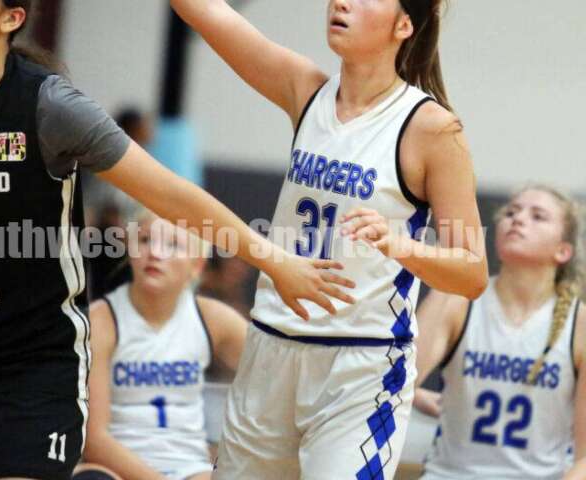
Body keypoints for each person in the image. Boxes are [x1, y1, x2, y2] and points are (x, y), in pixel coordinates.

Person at [0, 1, 354, 479]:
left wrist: (274, 260)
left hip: (28, 364)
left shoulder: (50, 106)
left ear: (10, 18)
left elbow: (172, 195)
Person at [170, 0, 490, 478]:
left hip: (360, 363)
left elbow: (472, 272)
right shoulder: (306, 89)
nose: (340, 2)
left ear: (404, 25)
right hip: (271, 345)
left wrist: (401, 245)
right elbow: (206, 13)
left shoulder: (432, 128)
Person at [414, 186, 585, 480]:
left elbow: (584, 459)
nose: (518, 219)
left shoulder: (579, 324)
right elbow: (394, 379)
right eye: (511, 212)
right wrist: (412, 393)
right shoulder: (458, 300)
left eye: (538, 216)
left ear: (563, 250)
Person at [76, 210, 248, 480]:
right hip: (117, 467)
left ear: (197, 265)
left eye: (173, 245)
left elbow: (275, 371)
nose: (155, 253)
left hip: (189, 466)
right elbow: (95, 441)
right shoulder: (102, 320)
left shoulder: (212, 318)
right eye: (145, 240)